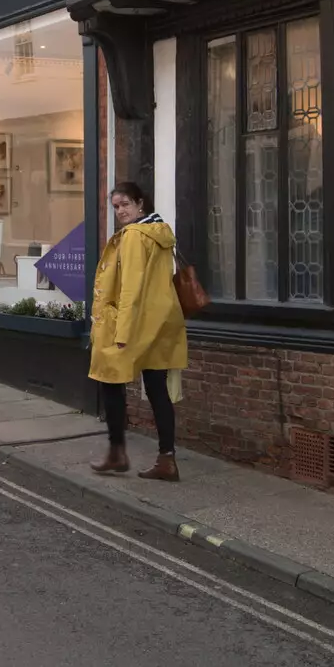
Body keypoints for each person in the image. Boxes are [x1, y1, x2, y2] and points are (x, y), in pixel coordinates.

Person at [89, 181, 187, 482]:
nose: (120, 211)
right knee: (157, 389)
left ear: (140, 203)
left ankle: (117, 452)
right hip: (161, 321)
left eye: (125, 204)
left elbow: (130, 287)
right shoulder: (160, 233)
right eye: (116, 206)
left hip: (130, 322)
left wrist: (121, 333)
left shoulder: (133, 237)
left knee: (110, 380)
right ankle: (167, 459)